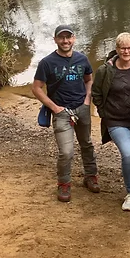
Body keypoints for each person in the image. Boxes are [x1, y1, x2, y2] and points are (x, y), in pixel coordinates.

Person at [32, 25, 98, 202]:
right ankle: (64, 184)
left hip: (82, 109)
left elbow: (89, 80)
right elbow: (36, 88)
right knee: (66, 152)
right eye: (61, 38)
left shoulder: (82, 59)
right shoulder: (47, 62)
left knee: (87, 143)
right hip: (61, 112)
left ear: (74, 39)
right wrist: (53, 107)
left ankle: (91, 176)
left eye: (68, 37)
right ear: (55, 40)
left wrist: (87, 101)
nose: (65, 41)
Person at [91, 32, 130, 211]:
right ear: (117, 49)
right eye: (122, 48)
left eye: (129, 48)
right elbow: (96, 93)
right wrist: (105, 113)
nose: (126, 51)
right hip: (116, 121)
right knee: (129, 154)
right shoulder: (105, 70)